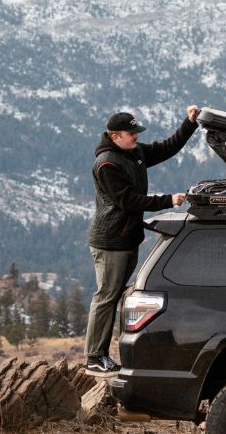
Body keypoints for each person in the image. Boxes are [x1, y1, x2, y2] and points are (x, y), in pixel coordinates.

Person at [84, 105, 200, 372]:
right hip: (110, 241)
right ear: (115, 136)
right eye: (131, 133)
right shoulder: (107, 164)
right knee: (106, 296)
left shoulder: (133, 152)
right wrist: (168, 200)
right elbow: (128, 200)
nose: (136, 136)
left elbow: (166, 148)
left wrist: (189, 123)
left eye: (136, 132)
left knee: (113, 296)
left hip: (127, 239)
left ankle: (100, 355)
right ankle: (94, 357)